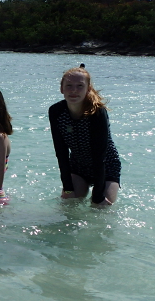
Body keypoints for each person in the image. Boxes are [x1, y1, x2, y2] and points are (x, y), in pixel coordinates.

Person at [48, 67, 121, 206]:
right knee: (69, 204)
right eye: (69, 86)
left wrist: (98, 196)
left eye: (79, 86)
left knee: (100, 209)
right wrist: (68, 188)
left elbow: (100, 157)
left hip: (106, 165)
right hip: (78, 165)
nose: (74, 90)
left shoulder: (97, 113)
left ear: (88, 89)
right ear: (61, 89)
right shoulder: (56, 111)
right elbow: (61, 153)